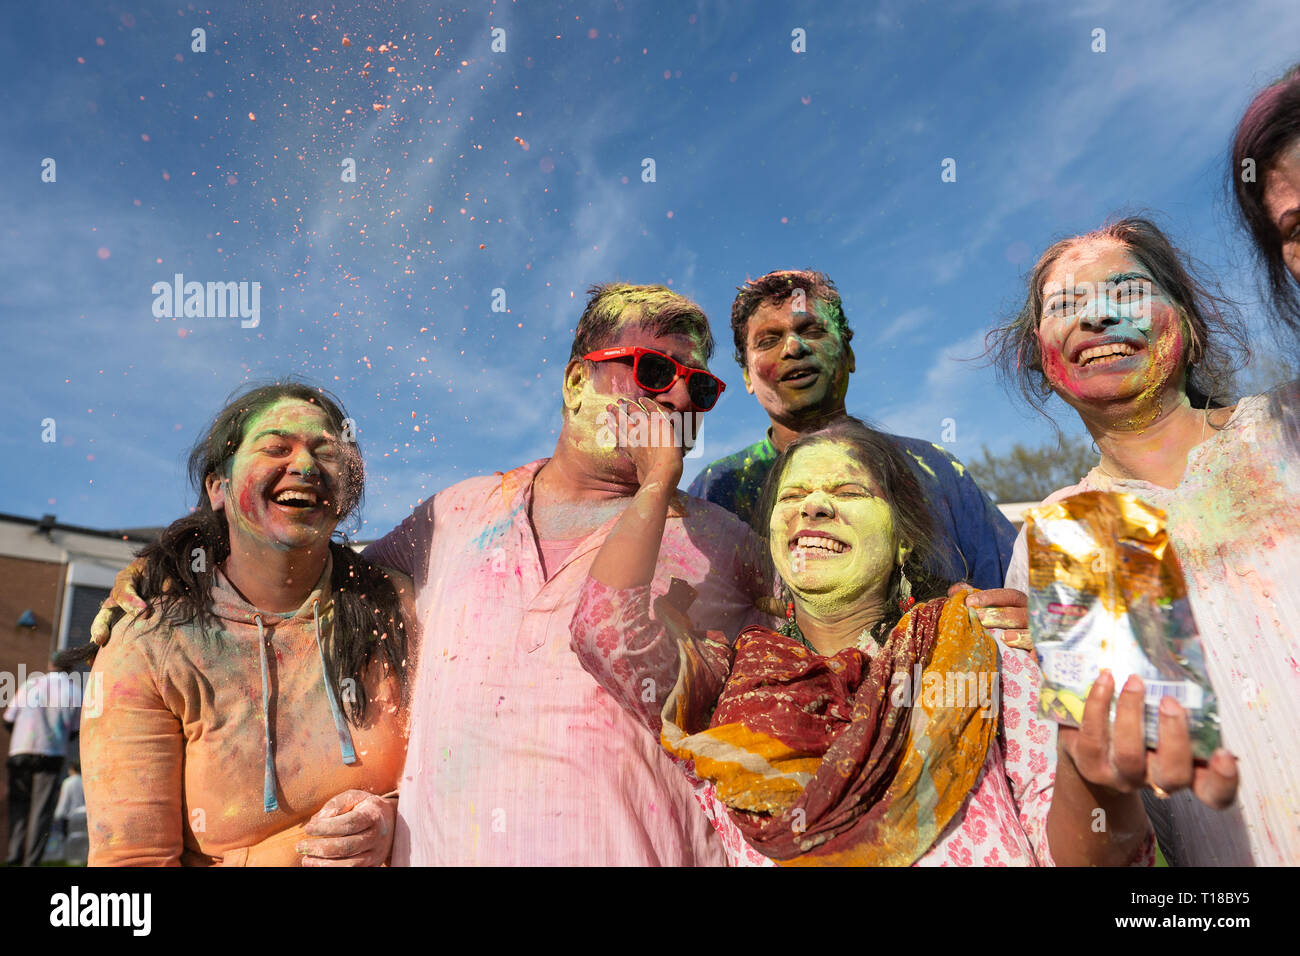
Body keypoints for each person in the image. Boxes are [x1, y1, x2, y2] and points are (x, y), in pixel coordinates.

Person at [571, 411, 1215, 865]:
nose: (814, 507)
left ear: (904, 534)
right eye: (792, 496)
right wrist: (660, 479)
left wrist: (1095, 782)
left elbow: (1090, 861)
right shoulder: (723, 683)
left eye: (848, 491)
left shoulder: (976, 647)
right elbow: (605, 632)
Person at [362, 283, 773, 865]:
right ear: (577, 384)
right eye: (654, 370)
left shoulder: (725, 542)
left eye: (701, 387)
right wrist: (374, 804)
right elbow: (311, 606)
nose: (681, 398)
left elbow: (840, 631)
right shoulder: (455, 515)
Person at [989, 217, 1289, 864]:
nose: (1096, 317)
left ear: (1191, 321)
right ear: (1039, 354)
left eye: (1126, 291)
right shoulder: (1063, 540)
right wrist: (1093, 777)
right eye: (1064, 306)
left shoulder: (1289, 432)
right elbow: (1091, 854)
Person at [80, 382, 414, 866]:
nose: (304, 466)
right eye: (276, 447)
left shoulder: (400, 608)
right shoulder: (148, 642)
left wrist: (392, 823)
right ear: (219, 488)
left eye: (326, 451)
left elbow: (468, 770)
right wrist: (289, 857)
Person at [689, 270, 1015, 590]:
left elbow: (1015, 591)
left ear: (849, 355)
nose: (793, 348)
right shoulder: (717, 489)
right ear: (747, 377)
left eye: (812, 330)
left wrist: (1014, 615)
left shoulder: (934, 468)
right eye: (769, 340)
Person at [4, 659, 80, 866]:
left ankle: (13, 855)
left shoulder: (30, 685)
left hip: (20, 750)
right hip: (51, 754)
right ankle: (31, 861)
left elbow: (9, 718)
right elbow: (75, 729)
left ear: (50, 665)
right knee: (41, 810)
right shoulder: (74, 690)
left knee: (19, 806)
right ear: (70, 667)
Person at [53, 762, 87, 865]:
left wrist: (58, 814)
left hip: (71, 816)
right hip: (85, 815)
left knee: (69, 838)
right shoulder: (85, 781)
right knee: (84, 839)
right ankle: (83, 859)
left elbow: (64, 800)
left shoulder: (68, 782)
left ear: (71, 769)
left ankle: (71, 859)